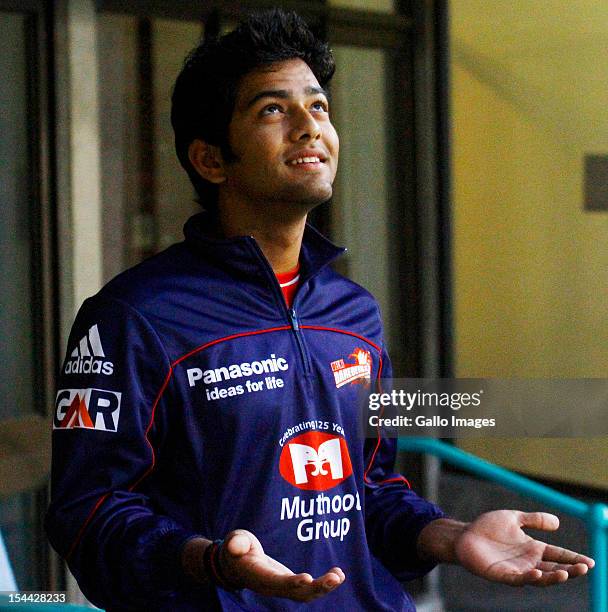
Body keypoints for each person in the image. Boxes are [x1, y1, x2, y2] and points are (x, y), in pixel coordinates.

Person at [46, 9, 594, 611]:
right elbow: (88, 513)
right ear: (211, 160)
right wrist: (212, 561)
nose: (310, 127)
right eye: (273, 110)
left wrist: (451, 535)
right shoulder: (134, 317)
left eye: (319, 107)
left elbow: (370, 488)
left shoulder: (352, 312)